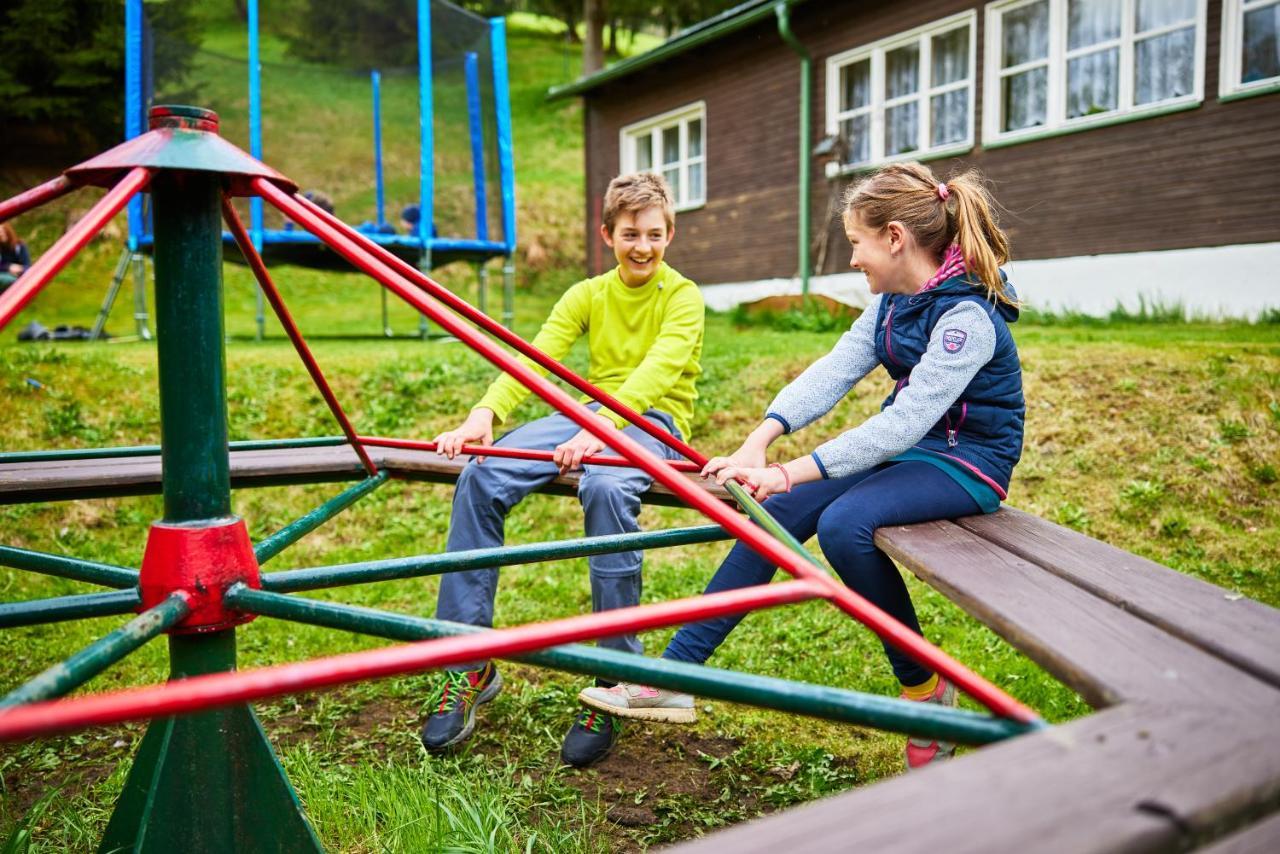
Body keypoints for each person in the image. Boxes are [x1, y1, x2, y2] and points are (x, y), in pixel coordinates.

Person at [579, 162, 1025, 772]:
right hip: (913, 451)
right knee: (778, 512)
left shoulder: (966, 318)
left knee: (844, 526)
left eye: (856, 244)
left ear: (895, 238)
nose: (852, 259)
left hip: (969, 460)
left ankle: (925, 690)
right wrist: (762, 439)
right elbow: (835, 370)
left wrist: (793, 469)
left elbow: (902, 423)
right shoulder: (893, 303)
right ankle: (675, 677)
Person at [421, 172, 705, 767]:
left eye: (655, 234)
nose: (643, 247)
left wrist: (595, 430)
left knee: (603, 485)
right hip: (591, 414)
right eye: (630, 234)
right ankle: (466, 662)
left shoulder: (683, 297)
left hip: (653, 422)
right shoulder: (587, 294)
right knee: (482, 474)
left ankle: (613, 676)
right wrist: (484, 413)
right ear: (607, 234)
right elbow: (533, 356)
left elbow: (654, 374)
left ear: (670, 234)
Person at [0, 224, 31, 292]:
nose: (1, 236)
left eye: (2, 232)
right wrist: (8, 267)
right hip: (4, 274)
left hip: (18, 276)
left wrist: (20, 271)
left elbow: (27, 266)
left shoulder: (20, 245)